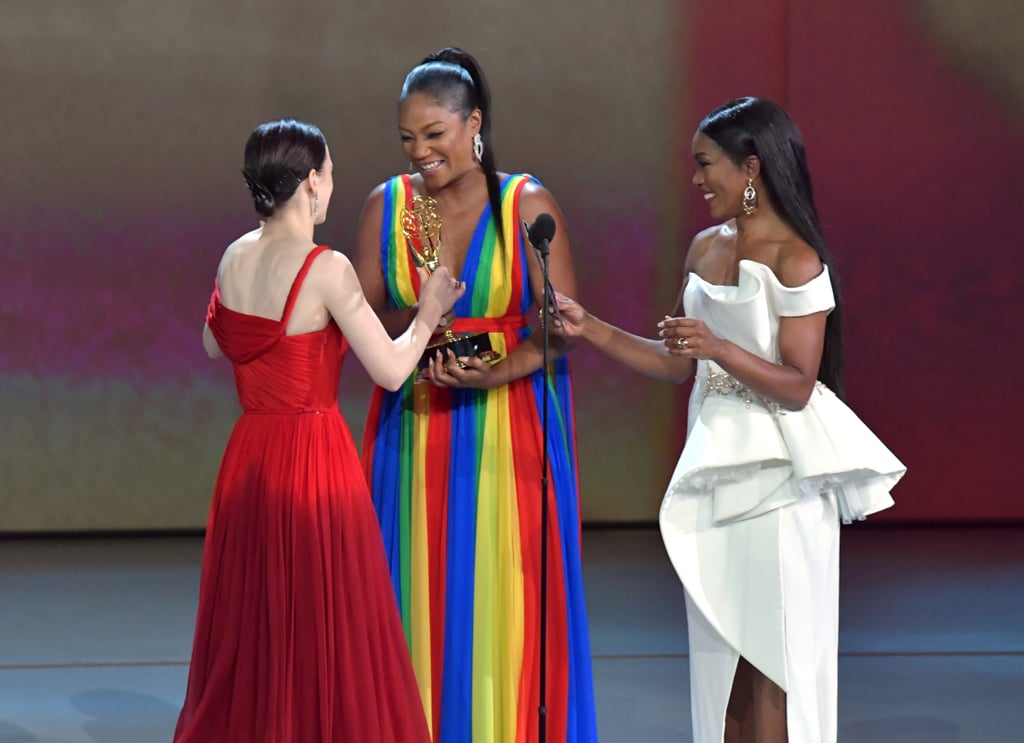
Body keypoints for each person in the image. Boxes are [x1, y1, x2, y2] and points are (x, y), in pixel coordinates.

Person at [553, 97, 906, 743]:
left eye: (705, 163)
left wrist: (717, 346)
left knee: (772, 656)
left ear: (750, 168)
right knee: (723, 654)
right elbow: (674, 363)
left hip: (778, 483)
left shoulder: (798, 260)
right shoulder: (703, 247)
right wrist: (591, 328)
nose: (696, 178)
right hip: (715, 471)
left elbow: (799, 386)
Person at [174, 118, 464, 742]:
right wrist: (432, 310)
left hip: (249, 459)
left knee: (257, 621)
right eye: (329, 172)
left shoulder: (234, 255)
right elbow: (389, 371)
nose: (332, 184)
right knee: (323, 619)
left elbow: (212, 345)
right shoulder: (325, 267)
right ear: (309, 182)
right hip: (311, 459)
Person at [352, 48, 597, 743]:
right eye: (407, 138)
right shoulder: (388, 205)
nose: (420, 151)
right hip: (414, 425)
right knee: (409, 594)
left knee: (503, 598)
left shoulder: (526, 203)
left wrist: (500, 367)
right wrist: (420, 334)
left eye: (434, 134)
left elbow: (565, 325)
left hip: (509, 425)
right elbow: (360, 317)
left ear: (475, 125)